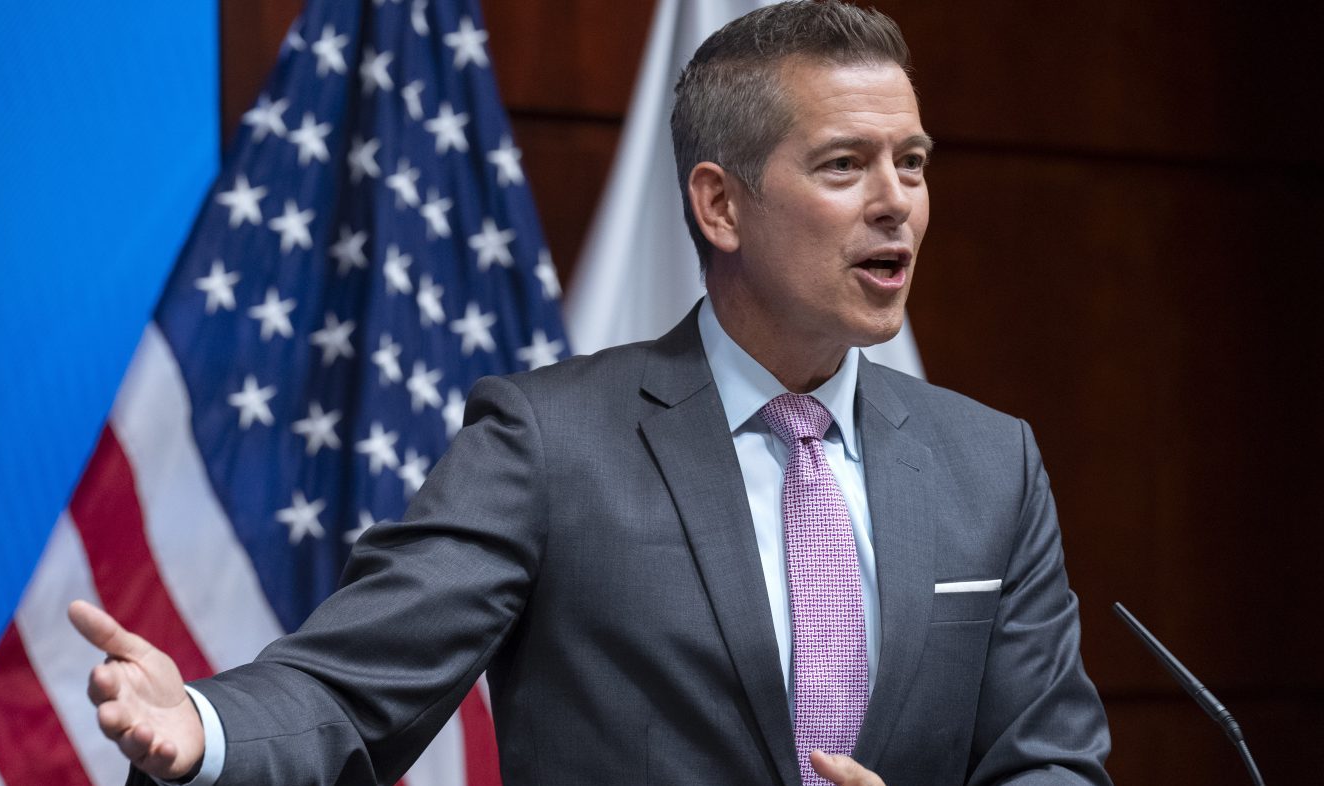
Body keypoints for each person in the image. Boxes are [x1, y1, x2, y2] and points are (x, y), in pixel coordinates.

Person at [70, 3, 1112, 784]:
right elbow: (353, 683)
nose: (896, 203)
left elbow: (1051, 761)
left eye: (912, 163)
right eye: (844, 165)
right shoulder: (547, 442)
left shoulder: (991, 463)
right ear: (718, 204)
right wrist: (202, 727)